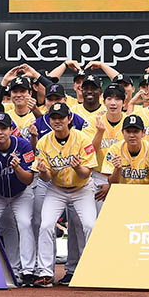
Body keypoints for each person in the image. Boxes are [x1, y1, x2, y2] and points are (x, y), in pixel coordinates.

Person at [33, 102, 97, 287]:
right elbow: (45, 179)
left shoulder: (83, 139)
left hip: (82, 188)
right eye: (54, 118)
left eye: (61, 117)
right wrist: (44, 171)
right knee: (45, 225)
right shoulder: (43, 142)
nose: (58, 121)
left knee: (89, 225)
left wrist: (77, 167)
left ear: (69, 119)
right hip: (57, 189)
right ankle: (45, 273)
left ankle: (89, 270)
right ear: (49, 120)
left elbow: (87, 173)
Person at [0, 112, 37, 286]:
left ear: (11, 130)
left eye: (4, 128)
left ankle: (27, 270)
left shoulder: (24, 145)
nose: (0, 132)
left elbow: (29, 180)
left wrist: (17, 168)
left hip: (21, 192)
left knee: (25, 223)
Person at [105, 115, 149, 185]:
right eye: (128, 131)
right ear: (123, 132)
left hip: (147, 192)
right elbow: (112, 183)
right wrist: (117, 169)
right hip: (122, 192)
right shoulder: (114, 150)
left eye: (136, 131)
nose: (132, 135)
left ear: (143, 132)